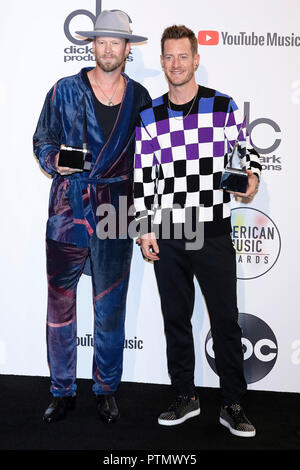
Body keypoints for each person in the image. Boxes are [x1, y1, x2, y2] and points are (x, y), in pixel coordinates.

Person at [134, 25, 261, 437]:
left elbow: (247, 152)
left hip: (214, 228)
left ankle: (233, 402)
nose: (176, 64)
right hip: (169, 229)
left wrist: (252, 177)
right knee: (176, 318)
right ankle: (185, 395)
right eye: (169, 57)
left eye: (183, 56)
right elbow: (142, 178)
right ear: (162, 62)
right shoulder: (148, 116)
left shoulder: (221, 106)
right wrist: (143, 228)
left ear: (196, 59)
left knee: (225, 320)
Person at [33, 10, 150, 424]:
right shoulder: (63, 90)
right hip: (68, 207)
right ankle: (62, 390)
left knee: (110, 309)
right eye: (100, 41)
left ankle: (105, 390)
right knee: (60, 305)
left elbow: (147, 166)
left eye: (115, 43)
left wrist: (146, 221)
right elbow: (42, 141)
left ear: (127, 49)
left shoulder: (140, 99)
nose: (107, 49)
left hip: (117, 211)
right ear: (91, 45)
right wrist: (55, 160)